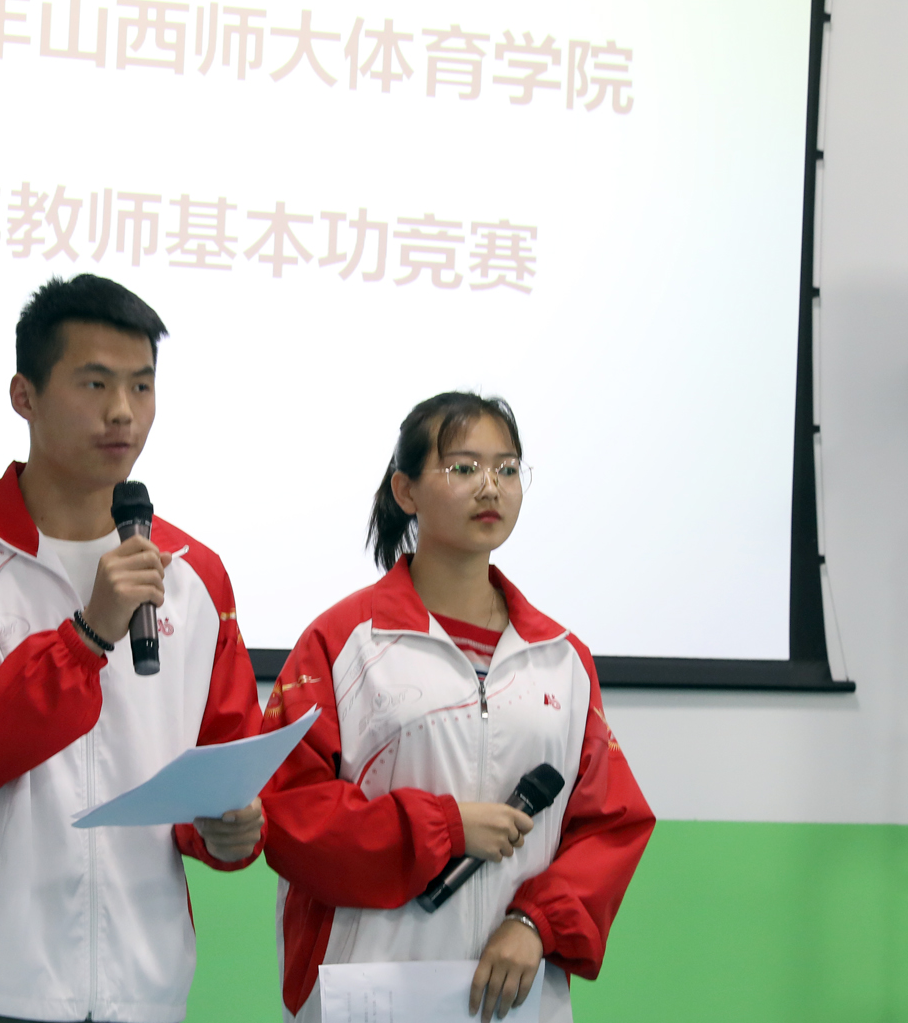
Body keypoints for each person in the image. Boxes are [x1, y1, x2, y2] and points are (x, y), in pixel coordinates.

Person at [0, 274, 265, 1023]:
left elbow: (225, 762)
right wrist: (89, 634)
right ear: (24, 395)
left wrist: (232, 828)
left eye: (142, 386)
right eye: (95, 383)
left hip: (144, 985)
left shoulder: (195, 573)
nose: (123, 411)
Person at [259, 391, 654, 1023]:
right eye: (464, 467)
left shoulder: (561, 657)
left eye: (507, 468)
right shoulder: (343, 643)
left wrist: (536, 921)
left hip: (514, 1002)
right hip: (371, 995)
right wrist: (444, 828)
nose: (490, 487)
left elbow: (612, 823)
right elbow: (288, 814)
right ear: (406, 491)